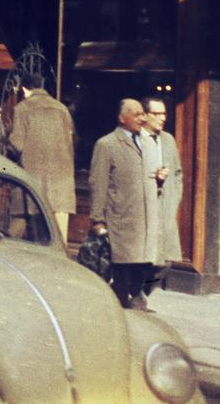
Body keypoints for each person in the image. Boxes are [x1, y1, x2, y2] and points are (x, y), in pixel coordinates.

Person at [88, 98, 167, 310]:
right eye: (136, 114)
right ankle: (123, 301)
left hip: (144, 217)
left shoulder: (148, 143)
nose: (142, 118)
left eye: (143, 113)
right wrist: (97, 219)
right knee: (123, 264)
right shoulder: (107, 144)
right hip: (120, 217)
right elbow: (98, 183)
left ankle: (133, 297)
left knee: (146, 262)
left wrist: (160, 179)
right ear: (122, 118)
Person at [7, 69, 76, 241]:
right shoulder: (62, 109)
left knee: (20, 235)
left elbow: (16, 146)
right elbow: (72, 141)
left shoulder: (22, 109)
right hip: (61, 186)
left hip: (32, 185)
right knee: (58, 241)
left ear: (24, 89)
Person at [142, 95, 184, 299]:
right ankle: (135, 295)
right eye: (157, 113)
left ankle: (143, 292)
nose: (162, 118)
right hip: (143, 207)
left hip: (165, 207)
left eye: (164, 113)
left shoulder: (168, 140)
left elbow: (177, 173)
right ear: (144, 115)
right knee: (143, 257)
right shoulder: (136, 139)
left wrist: (174, 200)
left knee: (166, 260)